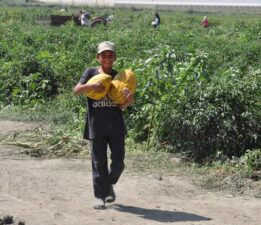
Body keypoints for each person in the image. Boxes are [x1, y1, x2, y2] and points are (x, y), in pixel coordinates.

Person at [74, 41, 135, 209]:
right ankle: (100, 196)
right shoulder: (90, 72)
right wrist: (90, 85)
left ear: (115, 57)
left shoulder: (119, 76)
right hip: (96, 126)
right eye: (103, 55)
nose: (107, 58)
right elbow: (76, 90)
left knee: (118, 162)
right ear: (98, 57)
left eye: (110, 55)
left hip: (116, 126)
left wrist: (129, 100)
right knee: (98, 163)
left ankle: (108, 185)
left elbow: (122, 106)